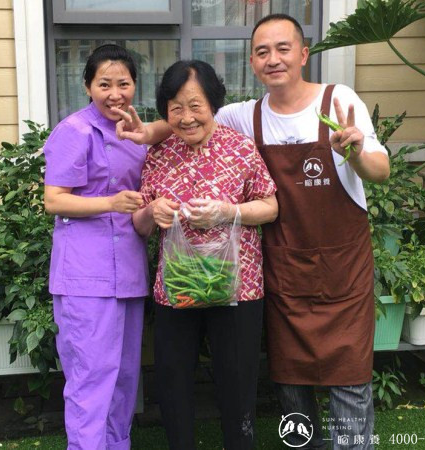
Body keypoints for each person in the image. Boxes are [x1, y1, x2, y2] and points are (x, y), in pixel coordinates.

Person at [116, 14, 390, 450]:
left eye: (283, 49)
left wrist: (355, 152)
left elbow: (380, 170)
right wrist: (148, 133)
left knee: (348, 377)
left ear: (303, 54)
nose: (273, 59)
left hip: (341, 268)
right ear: (252, 61)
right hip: (283, 269)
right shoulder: (246, 115)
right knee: (291, 381)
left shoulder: (339, 101)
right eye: (262, 51)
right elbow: (188, 114)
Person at [131, 60, 278, 450]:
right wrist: (151, 212)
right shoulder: (159, 154)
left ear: (213, 103)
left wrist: (230, 212)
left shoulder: (241, 148)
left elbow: (271, 206)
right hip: (176, 289)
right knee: (173, 378)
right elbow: (140, 225)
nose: (186, 117)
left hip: (237, 288)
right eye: (176, 107)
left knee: (237, 379)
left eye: (195, 105)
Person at [43, 44, 148, 450]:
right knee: (90, 377)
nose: (114, 93)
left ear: (135, 86)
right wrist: (111, 203)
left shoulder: (135, 133)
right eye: (104, 83)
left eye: (123, 83)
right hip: (85, 275)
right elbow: (54, 200)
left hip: (129, 270)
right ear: (87, 86)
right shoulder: (74, 130)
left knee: (124, 376)